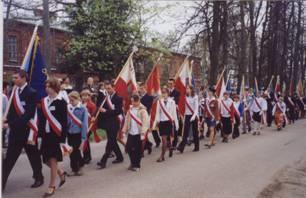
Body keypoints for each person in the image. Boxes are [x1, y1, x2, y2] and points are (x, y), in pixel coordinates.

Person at [2, 70, 44, 190]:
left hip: (27, 131)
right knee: (9, 158)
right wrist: (6, 120)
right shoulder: (13, 91)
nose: (14, 80)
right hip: (15, 133)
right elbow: (11, 110)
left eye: (16, 77)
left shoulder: (31, 92)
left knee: (33, 156)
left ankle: (39, 177)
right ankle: (2, 182)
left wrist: (10, 124)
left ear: (24, 78)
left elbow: (28, 114)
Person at [39, 78, 68, 197]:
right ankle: (61, 172)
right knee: (45, 160)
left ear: (55, 87)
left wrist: (63, 139)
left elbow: (64, 122)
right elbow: (41, 120)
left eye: (49, 86)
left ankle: (51, 186)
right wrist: (39, 134)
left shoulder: (61, 102)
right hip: (45, 135)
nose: (47, 88)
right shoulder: (43, 101)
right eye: (46, 86)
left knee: (52, 159)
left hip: (55, 135)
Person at [97, 81, 124, 169]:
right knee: (112, 141)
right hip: (108, 123)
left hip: (115, 122)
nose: (108, 90)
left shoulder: (118, 98)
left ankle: (103, 161)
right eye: (106, 88)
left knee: (110, 142)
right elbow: (100, 108)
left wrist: (106, 111)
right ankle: (120, 157)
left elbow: (118, 111)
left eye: (109, 88)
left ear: (113, 88)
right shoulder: (105, 98)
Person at [122, 94, 149, 171]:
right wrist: (124, 130)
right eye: (132, 101)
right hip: (131, 132)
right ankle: (132, 163)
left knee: (137, 150)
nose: (133, 103)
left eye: (135, 101)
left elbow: (145, 122)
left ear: (138, 101)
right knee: (128, 148)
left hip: (139, 133)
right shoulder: (130, 110)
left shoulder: (143, 110)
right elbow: (126, 121)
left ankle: (137, 165)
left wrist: (143, 132)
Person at [154, 87, 179, 162]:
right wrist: (156, 122)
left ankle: (162, 156)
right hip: (162, 122)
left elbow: (174, 114)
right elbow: (157, 113)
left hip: (169, 122)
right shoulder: (159, 102)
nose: (163, 94)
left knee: (164, 139)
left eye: (165, 92)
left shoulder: (172, 102)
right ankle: (170, 147)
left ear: (168, 93)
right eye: (163, 92)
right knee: (165, 139)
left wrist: (176, 124)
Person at [67, 91, 88, 176]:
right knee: (71, 151)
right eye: (69, 100)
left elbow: (85, 124)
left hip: (78, 133)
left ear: (77, 99)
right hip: (70, 133)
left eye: (72, 100)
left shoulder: (83, 109)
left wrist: (83, 138)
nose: (71, 102)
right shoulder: (68, 108)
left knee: (75, 151)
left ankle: (76, 168)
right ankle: (79, 164)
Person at [177, 85, 200, 153]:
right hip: (187, 116)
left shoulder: (195, 97)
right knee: (185, 132)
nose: (186, 89)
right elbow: (183, 106)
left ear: (191, 89)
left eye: (187, 88)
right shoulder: (185, 97)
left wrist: (193, 117)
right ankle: (181, 147)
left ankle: (197, 146)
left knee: (195, 132)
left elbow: (196, 109)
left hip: (194, 116)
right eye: (186, 88)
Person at [139, 82, 160, 152]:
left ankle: (153, 142)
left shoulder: (149, 97)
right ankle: (148, 145)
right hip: (140, 116)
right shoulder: (138, 97)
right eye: (140, 88)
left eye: (142, 88)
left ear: (145, 88)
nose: (141, 90)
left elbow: (148, 106)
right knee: (144, 132)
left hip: (147, 115)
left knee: (149, 130)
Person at [81, 89, 97, 164]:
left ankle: (86, 157)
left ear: (89, 96)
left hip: (89, 125)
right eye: (83, 96)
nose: (84, 97)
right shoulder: (80, 104)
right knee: (85, 141)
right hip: (82, 125)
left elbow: (94, 115)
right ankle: (87, 156)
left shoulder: (92, 105)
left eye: (86, 95)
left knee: (85, 140)